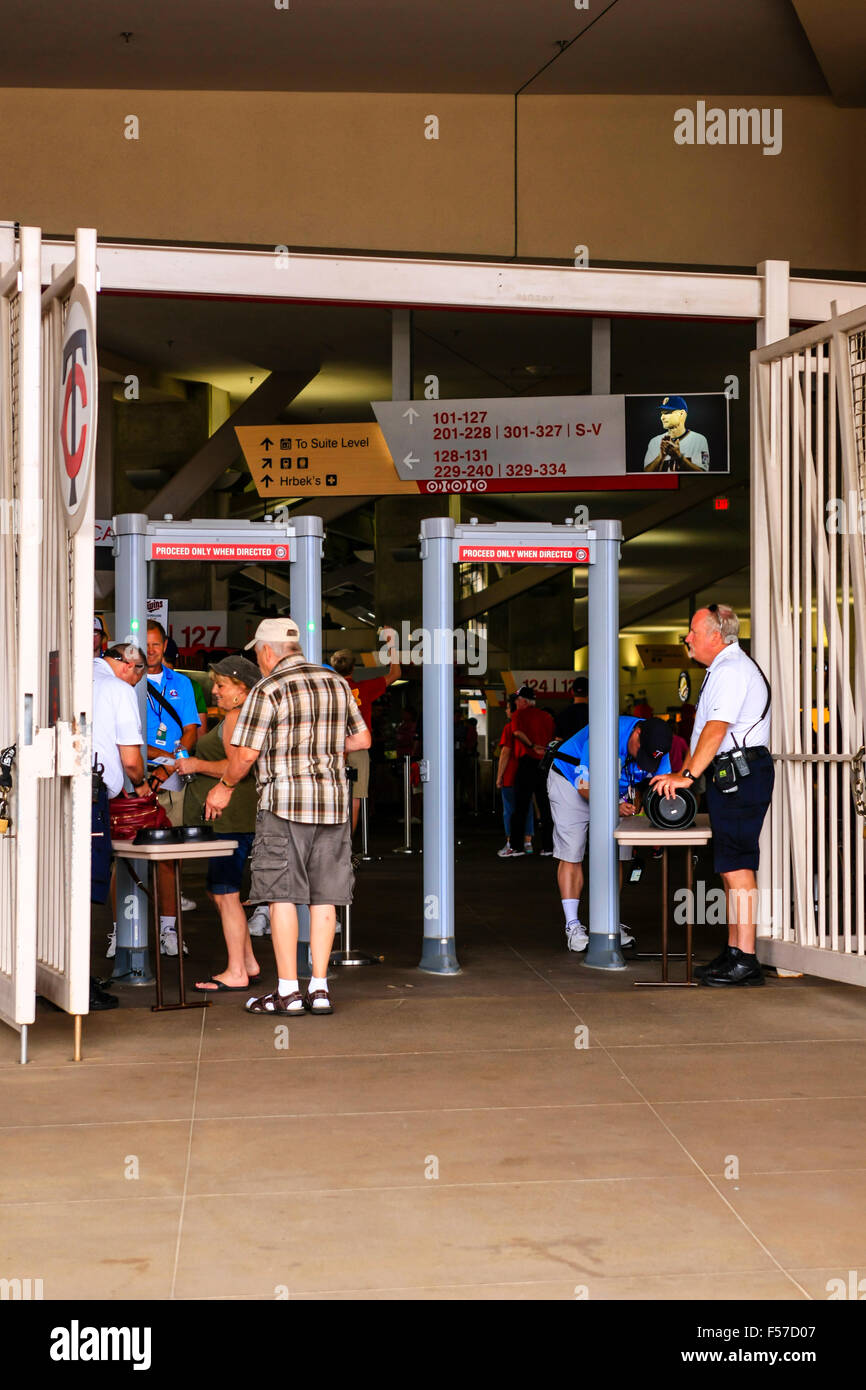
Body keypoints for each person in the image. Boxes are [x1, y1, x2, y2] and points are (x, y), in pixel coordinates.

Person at [204, 617, 370, 1017]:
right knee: (324, 899)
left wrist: (224, 787)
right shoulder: (335, 682)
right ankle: (320, 988)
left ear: (266, 651)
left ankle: (288, 991)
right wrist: (323, 750)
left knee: (281, 896)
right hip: (331, 804)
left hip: (284, 806)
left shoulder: (269, 688)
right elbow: (362, 739)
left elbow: (245, 754)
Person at [651, 604, 773, 987]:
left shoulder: (732, 670)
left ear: (716, 636)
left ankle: (747, 959)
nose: (687, 638)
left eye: (692, 631)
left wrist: (687, 776)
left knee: (737, 864)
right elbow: (705, 734)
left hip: (741, 772)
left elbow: (716, 730)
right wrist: (686, 770)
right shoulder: (721, 669)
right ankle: (735, 951)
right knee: (729, 864)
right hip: (732, 773)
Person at [162, 655, 264, 993]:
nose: (215, 692)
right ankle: (247, 962)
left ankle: (237, 970)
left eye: (221, 685)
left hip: (231, 818)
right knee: (219, 890)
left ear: (241, 689)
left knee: (226, 893)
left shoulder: (236, 718)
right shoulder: (240, 716)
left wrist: (195, 764)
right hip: (233, 818)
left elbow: (237, 767)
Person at [548, 715, 673, 951]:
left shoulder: (659, 744)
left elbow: (659, 786)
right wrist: (613, 806)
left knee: (617, 853)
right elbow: (584, 787)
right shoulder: (606, 733)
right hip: (571, 781)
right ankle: (572, 925)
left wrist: (643, 807)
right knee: (572, 851)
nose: (642, 760)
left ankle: (607, 921)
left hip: (614, 789)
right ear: (636, 734)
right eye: (641, 753)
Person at [91, 641, 152, 1006]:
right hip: (93, 794)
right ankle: (78, 986)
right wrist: (143, 786)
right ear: (130, 666)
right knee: (85, 885)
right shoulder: (118, 689)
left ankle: (56, 975)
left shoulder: (74, 679)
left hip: (53, 788)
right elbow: (131, 760)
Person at [145, 619, 202, 932]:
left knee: (170, 854)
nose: (151, 651)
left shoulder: (180, 683)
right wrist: (159, 760)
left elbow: (191, 729)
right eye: (146, 644)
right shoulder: (129, 681)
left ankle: (169, 929)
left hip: (173, 777)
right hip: (140, 776)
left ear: (165, 645)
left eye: (156, 644)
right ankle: (124, 929)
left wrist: (177, 758)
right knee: (128, 857)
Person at [329, 637, 400, 836]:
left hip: (333, 750)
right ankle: (347, 850)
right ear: (353, 669)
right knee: (355, 801)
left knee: (329, 799)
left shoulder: (327, 690)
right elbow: (395, 673)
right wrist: (391, 645)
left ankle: (329, 848)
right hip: (359, 748)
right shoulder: (365, 689)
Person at [499, 686, 555, 858]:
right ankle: (549, 847)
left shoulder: (518, 715)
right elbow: (554, 738)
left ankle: (516, 847)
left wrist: (531, 745)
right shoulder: (546, 716)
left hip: (527, 762)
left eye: (517, 700)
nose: (515, 703)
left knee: (520, 807)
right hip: (544, 764)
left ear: (523, 701)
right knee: (545, 807)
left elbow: (517, 732)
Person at [496, 694, 534, 854]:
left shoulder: (510, 727)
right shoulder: (530, 726)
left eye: (507, 708)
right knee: (527, 808)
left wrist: (499, 777)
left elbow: (505, 752)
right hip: (527, 772)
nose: (506, 711)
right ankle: (528, 843)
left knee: (510, 810)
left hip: (511, 775)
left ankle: (511, 843)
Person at [644, 395, 710, 473]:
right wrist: (661, 457)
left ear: (681, 414)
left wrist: (679, 457)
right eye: (661, 413)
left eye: (667, 412)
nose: (662, 417)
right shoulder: (655, 441)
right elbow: (646, 473)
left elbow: (703, 474)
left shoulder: (699, 440)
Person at [554, 675, 589, 741]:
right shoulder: (596, 714)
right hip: (589, 750)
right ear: (589, 692)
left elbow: (558, 739)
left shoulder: (563, 714)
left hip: (569, 750)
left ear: (572, 691)